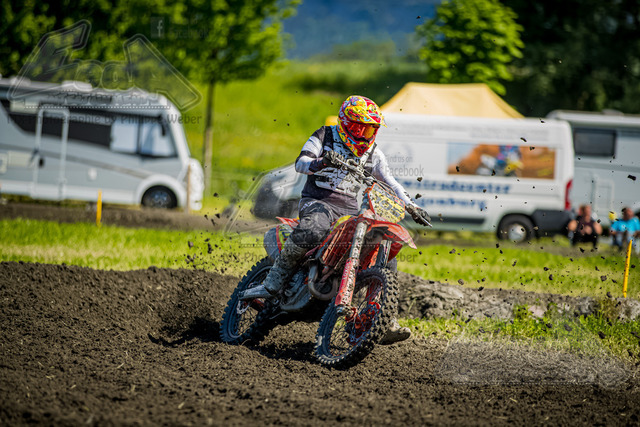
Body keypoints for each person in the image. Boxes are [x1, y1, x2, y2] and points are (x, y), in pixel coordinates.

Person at [241, 95, 431, 344]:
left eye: (369, 129)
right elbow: (301, 163)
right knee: (315, 229)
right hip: (317, 202)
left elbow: (391, 183)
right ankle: (273, 281)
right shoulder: (325, 135)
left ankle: (383, 318)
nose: (363, 135)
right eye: (358, 128)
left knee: (383, 251)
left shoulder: (374, 154)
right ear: (345, 123)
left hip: (349, 211)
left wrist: (413, 206)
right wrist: (322, 161)